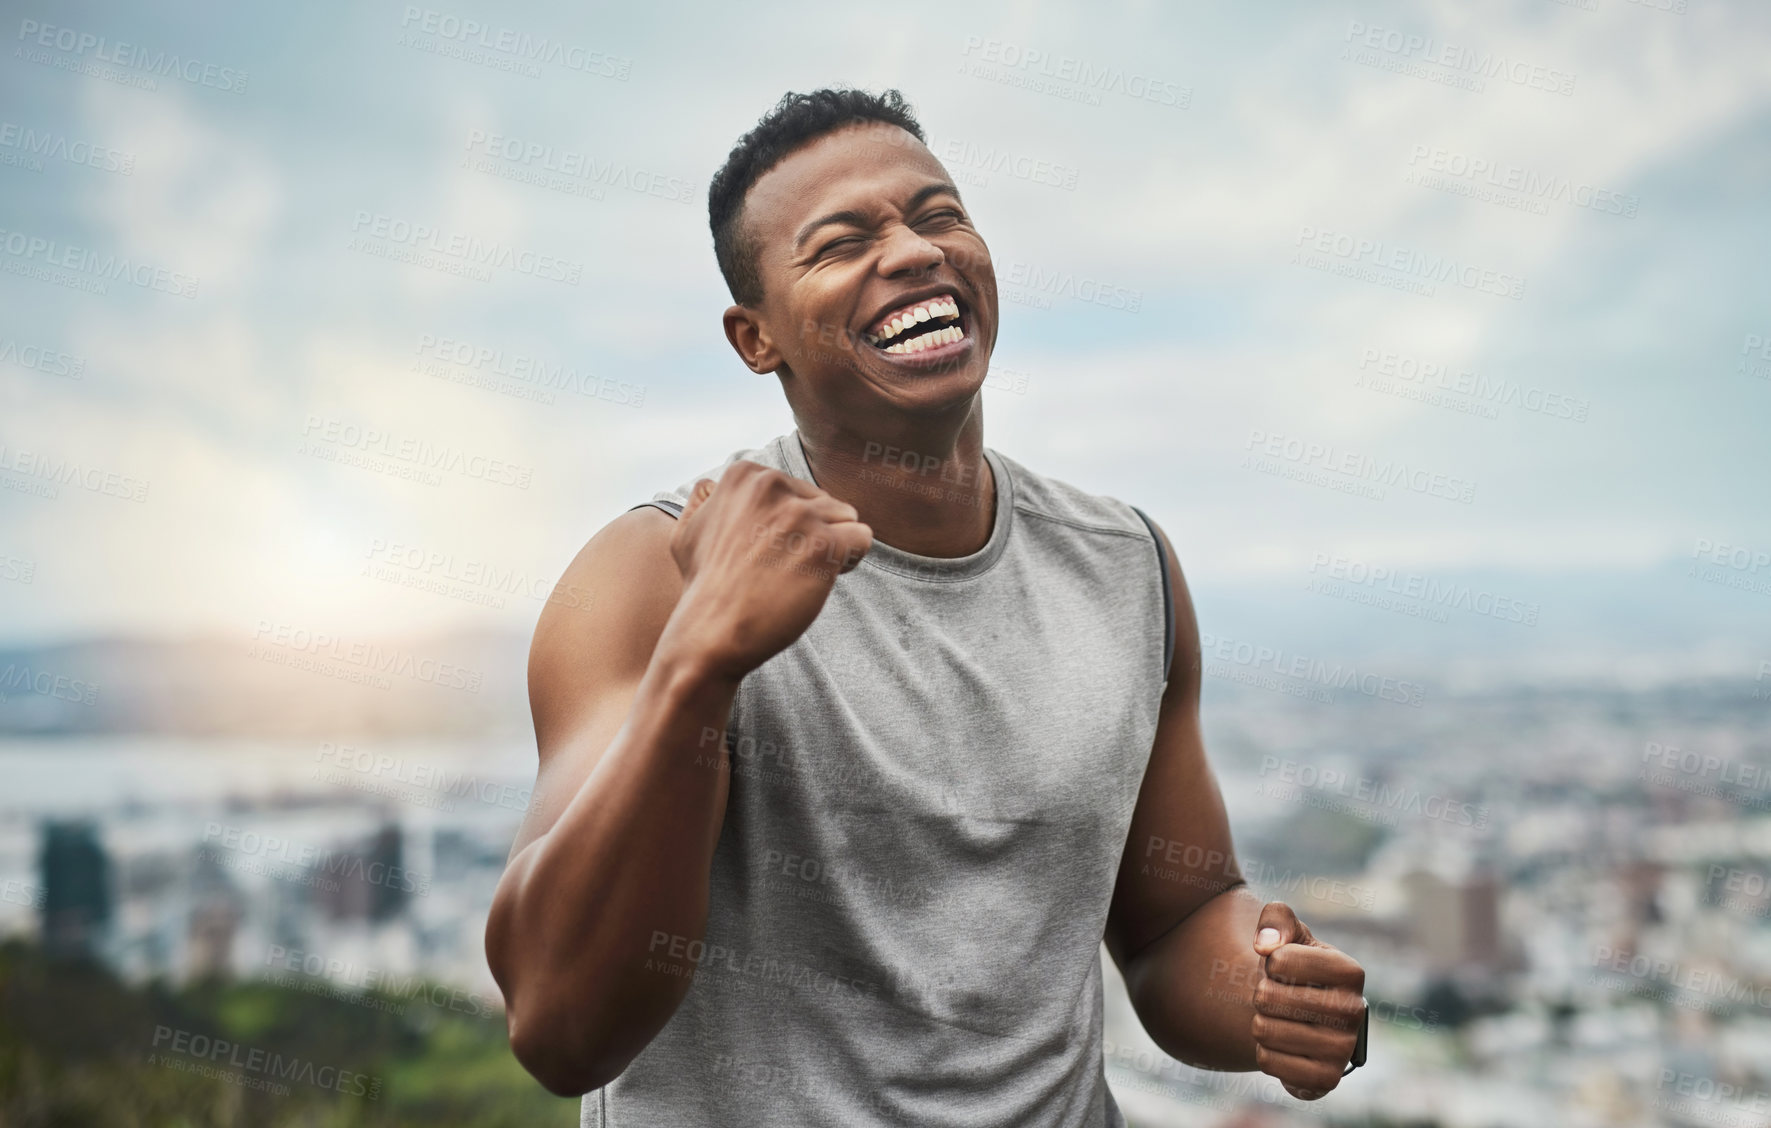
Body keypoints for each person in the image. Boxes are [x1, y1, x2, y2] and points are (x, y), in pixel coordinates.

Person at [485, 87, 1367, 1127]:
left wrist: (1262, 996)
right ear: (754, 337)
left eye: (937, 215)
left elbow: (1173, 920)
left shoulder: (1126, 566)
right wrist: (701, 663)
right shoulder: (655, 571)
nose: (912, 253)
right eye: (841, 242)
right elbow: (560, 1024)